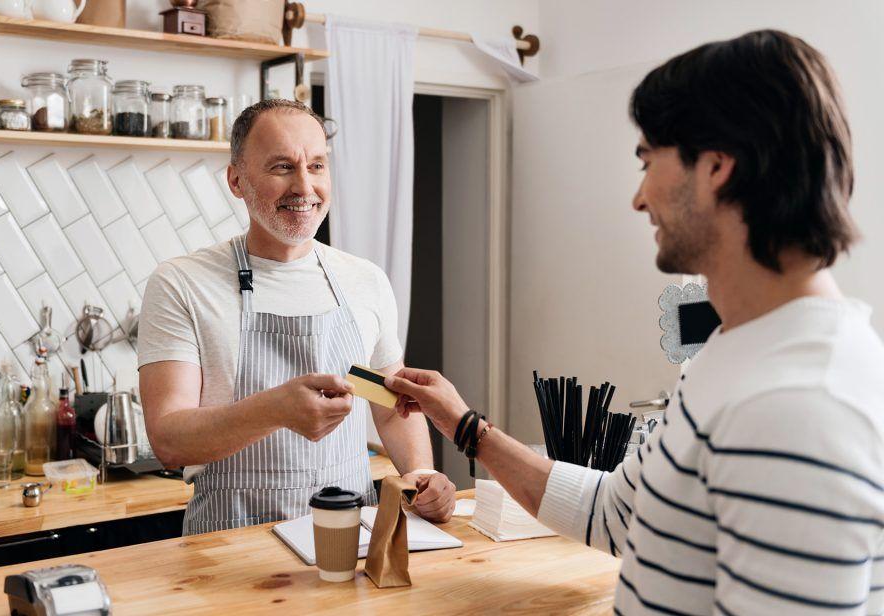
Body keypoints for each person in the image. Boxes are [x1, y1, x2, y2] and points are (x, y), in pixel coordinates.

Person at [386, 30, 884, 614]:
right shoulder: (733, 352)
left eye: (648, 161)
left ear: (717, 166)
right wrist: (467, 426)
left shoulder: (799, 406)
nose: (638, 198)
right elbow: (617, 513)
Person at [137, 99, 456, 534]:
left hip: (350, 541)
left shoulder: (364, 280)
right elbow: (169, 439)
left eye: (318, 166)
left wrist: (421, 473)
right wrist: (274, 410)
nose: (305, 187)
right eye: (282, 166)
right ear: (236, 180)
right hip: (229, 548)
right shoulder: (182, 283)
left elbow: (390, 408)